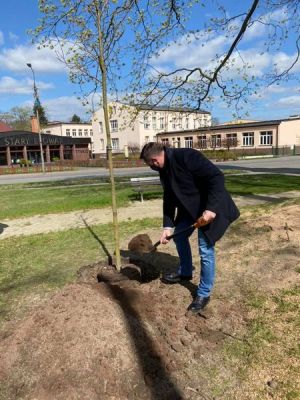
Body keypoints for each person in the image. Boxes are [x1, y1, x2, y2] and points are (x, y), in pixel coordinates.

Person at [140, 142, 240, 313]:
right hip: (190, 209)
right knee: (178, 235)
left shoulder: (187, 156)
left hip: (210, 207)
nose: (151, 167)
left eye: (150, 164)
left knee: (205, 249)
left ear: (155, 160)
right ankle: (185, 271)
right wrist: (168, 226)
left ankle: (203, 293)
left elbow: (217, 177)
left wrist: (211, 209)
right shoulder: (163, 170)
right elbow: (169, 198)